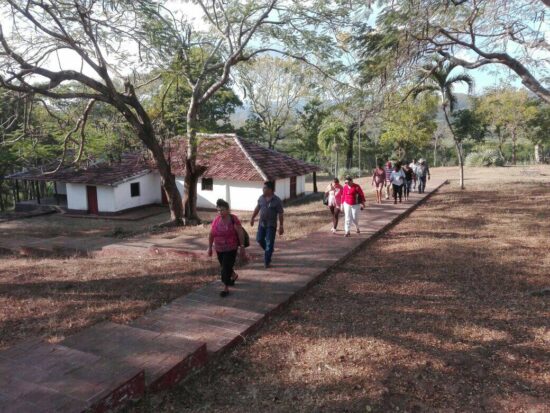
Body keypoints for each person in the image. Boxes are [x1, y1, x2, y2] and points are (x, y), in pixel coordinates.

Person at [208, 199, 246, 297]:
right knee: (225, 266)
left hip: (231, 248)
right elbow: (211, 234)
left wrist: (242, 246)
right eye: (218, 210)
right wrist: (209, 247)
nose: (220, 212)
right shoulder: (216, 220)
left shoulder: (233, 219)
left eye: (222, 210)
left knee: (225, 267)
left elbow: (240, 232)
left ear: (228, 210)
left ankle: (225, 288)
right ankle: (233, 275)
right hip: (219, 248)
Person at [250, 181, 284, 268]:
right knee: (259, 239)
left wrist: (281, 226)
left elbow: (280, 213)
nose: (263, 189)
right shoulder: (261, 198)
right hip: (262, 224)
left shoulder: (277, 200)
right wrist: (252, 218)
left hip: (271, 225)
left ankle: (267, 261)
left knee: (269, 242)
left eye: (265, 188)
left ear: (270, 190)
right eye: (263, 188)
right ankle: (269, 250)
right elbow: (257, 208)